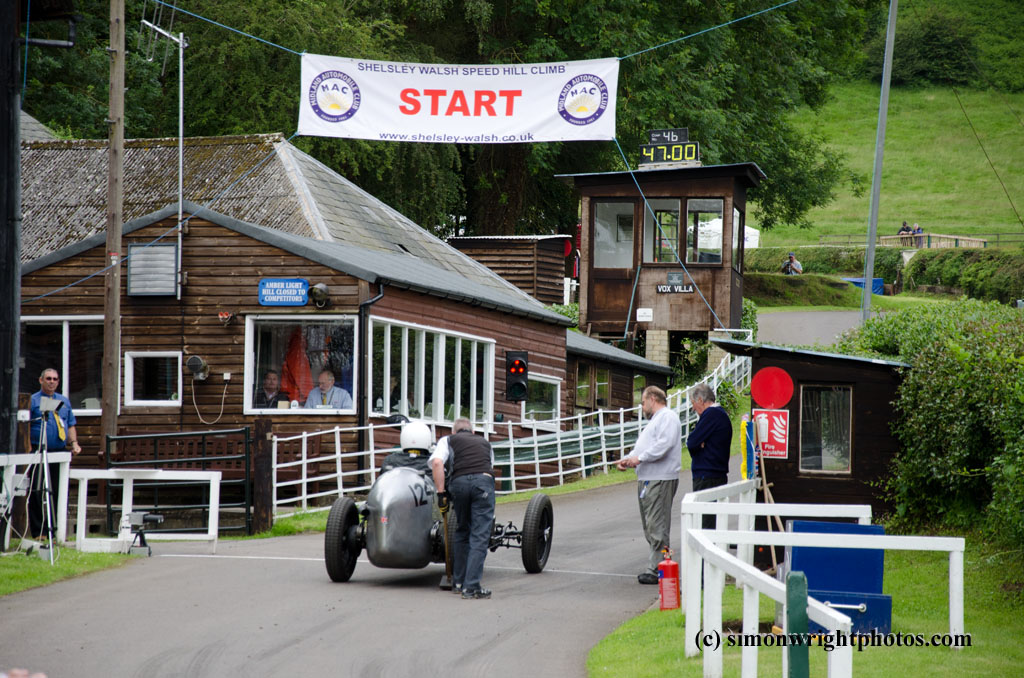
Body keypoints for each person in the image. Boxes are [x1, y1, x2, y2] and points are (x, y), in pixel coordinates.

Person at [616, 385, 681, 585]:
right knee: (651, 524)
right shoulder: (656, 421)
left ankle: (657, 568)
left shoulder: (667, 417)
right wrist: (628, 459)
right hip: (649, 478)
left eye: (643, 402)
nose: (643, 407)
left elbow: (664, 444)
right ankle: (658, 565)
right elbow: (644, 447)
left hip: (659, 478)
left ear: (653, 399)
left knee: (657, 523)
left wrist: (640, 458)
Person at [430, 417, 496, 599]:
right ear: (473, 432)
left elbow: (437, 463)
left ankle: (458, 582)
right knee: (479, 535)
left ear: (454, 432)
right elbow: (490, 466)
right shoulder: (485, 443)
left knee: (462, 530)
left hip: (458, 484)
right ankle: (472, 587)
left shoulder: (447, 440)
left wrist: (441, 494)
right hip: (482, 483)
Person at [28, 368, 81, 539]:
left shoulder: (63, 401)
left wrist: (74, 443)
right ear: (41, 380)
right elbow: (24, 425)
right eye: (48, 378)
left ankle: (55, 529)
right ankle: (38, 531)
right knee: (36, 490)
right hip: (37, 450)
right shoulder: (33, 401)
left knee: (58, 490)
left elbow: (70, 423)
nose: (52, 381)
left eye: (55, 379)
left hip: (58, 451)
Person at [686, 383, 733, 529]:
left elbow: (691, 442)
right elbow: (695, 442)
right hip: (714, 474)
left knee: (705, 522)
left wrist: (699, 444)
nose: (693, 408)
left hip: (708, 475)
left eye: (693, 403)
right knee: (711, 520)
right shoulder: (720, 414)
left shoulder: (711, 414)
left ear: (700, 400)